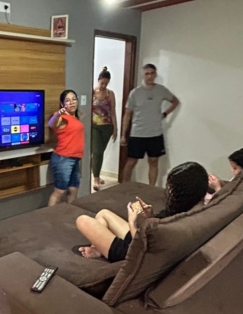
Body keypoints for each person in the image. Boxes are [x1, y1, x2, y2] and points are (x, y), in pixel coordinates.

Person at [75, 162, 208, 261]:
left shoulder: (180, 223)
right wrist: (151, 215)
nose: (169, 193)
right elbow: (156, 230)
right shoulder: (192, 208)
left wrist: (132, 222)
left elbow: (144, 248)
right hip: (140, 238)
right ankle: (99, 249)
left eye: (172, 190)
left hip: (133, 250)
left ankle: (102, 249)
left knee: (82, 220)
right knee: (103, 213)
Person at [121, 64, 179, 185]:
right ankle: (124, 185)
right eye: (147, 74)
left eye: (152, 73)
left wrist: (165, 114)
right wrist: (123, 135)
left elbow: (175, 101)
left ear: (155, 75)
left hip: (155, 133)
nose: (149, 76)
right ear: (143, 75)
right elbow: (127, 114)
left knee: (153, 161)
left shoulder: (161, 90)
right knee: (131, 161)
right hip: (137, 133)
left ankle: (151, 188)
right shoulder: (135, 93)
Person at [48, 90, 85, 206]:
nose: (72, 102)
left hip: (75, 158)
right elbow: (51, 124)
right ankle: (48, 216)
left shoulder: (75, 117)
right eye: (68, 100)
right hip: (63, 158)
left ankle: (70, 214)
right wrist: (58, 114)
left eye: (74, 99)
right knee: (59, 191)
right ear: (62, 104)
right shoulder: (61, 116)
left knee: (73, 189)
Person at [91, 67, 118, 192]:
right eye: (102, 83)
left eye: (106, 84)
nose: (104, 86)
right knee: (96, 152)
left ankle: (97, 174)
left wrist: (115, 128)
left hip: (107, 127)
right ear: (98, 80)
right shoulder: (92, 92)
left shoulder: (110, 94)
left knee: (100, 152)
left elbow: (113, 112)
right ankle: (96, 179)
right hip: (95, 126)